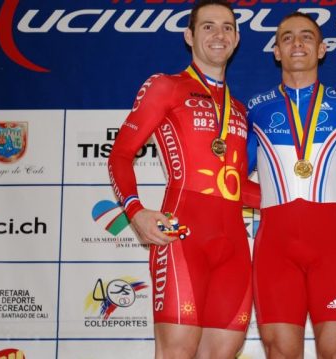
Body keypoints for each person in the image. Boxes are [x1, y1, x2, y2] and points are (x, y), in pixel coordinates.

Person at [108, 1, 256, 358]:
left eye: (226, 28)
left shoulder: (239, 109)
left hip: (233, 246)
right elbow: (121, 155)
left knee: (221, 354)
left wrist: (296, 202)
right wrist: (135, 210)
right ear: (189, 36)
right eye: (208, 27)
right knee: (176, 353)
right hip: (181, 237)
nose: (218, 35)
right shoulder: (166, 86)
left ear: (236, 39)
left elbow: (237, 186)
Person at [246, 12, 336, 359]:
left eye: (307, 37)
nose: (297, 44)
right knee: (280, 351)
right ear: (277, 52)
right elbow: (232, 179)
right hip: (275, 247)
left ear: (323, 49)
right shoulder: (257, 110)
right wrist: (269, 199)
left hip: (333, 246)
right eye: (287, 38)